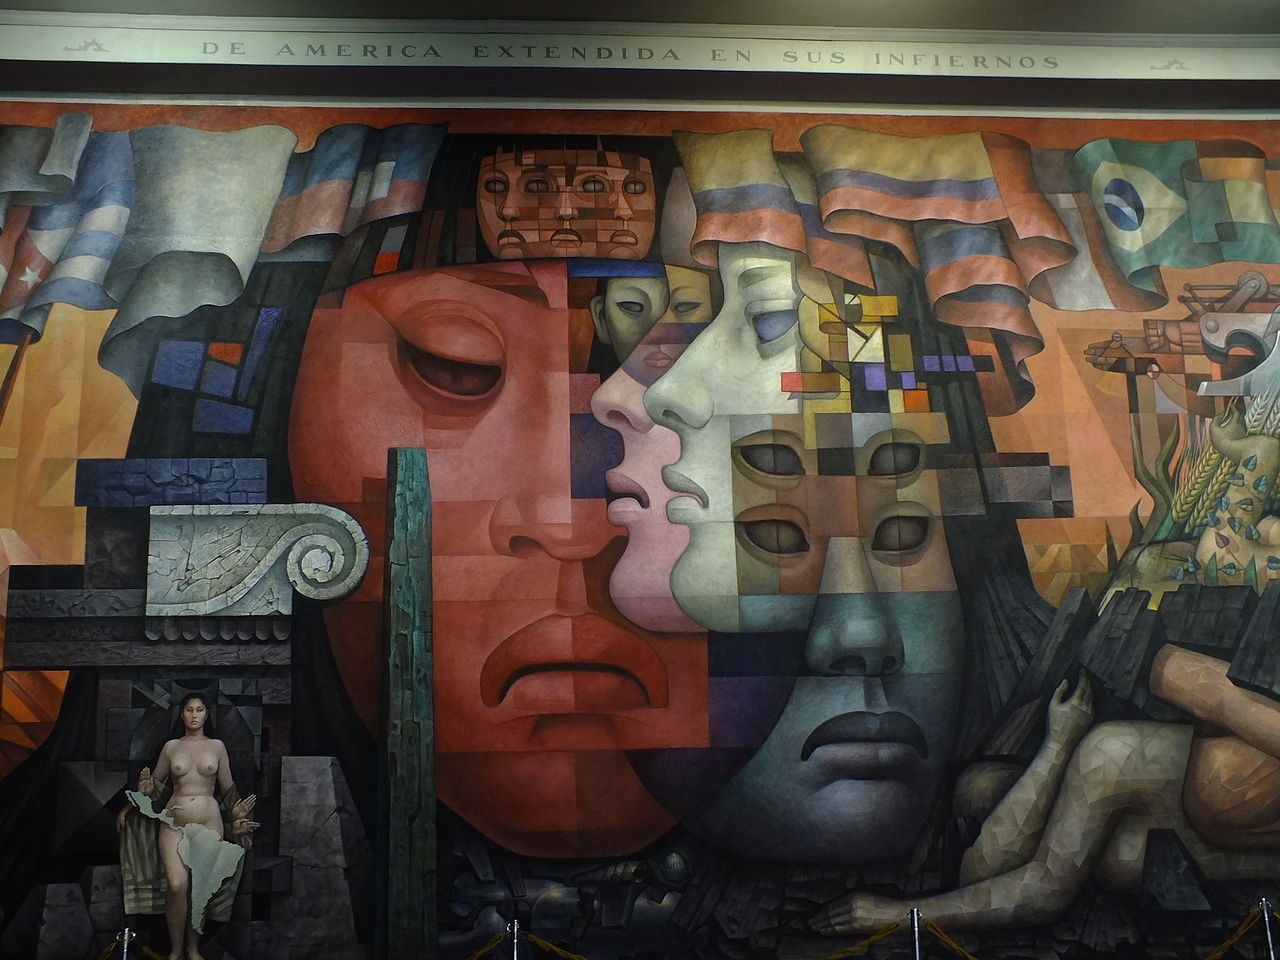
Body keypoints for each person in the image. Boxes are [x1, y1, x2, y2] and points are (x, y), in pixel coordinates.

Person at [117, 693, 258, 960]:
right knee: (176, 883)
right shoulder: (171, 747)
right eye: (189, 710)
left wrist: (237, 815)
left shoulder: (217, 747)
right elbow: (153, 786)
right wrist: (132, 804)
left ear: (206, 714)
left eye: (200, 709)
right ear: (182, 714)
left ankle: (193, 949)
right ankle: (175, 950)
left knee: (200, 886)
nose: (194, 715)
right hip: (175, 821)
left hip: (209, 821)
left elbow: (228, 788)